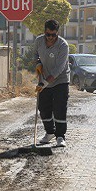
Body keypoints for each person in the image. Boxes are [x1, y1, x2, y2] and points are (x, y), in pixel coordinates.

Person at [34, 19, 70, 147]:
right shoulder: (39, 41)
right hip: (44, 78)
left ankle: (60, 136)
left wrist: (44, 83)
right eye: (48, 34)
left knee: (59, 108)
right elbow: (36, 54)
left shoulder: (63, 45)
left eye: (53, 35)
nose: (50, 38)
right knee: (43, 107)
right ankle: (50, 132)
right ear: (44, 32)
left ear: (57, 33)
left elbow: (59, 69)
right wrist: (38, 63)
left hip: (60, 81)